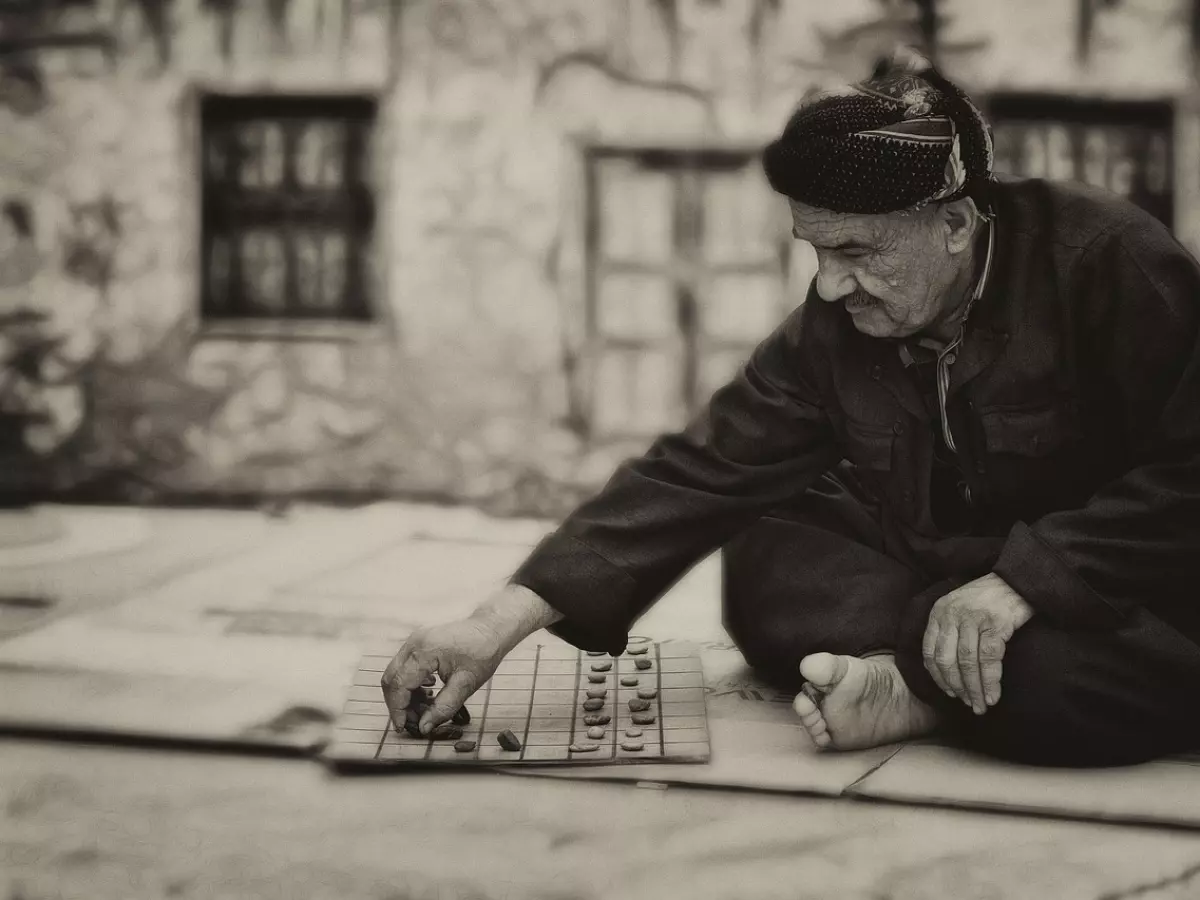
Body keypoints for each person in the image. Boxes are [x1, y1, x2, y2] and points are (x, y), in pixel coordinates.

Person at [382, 50, 1200, 768]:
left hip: (1111, 579)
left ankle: (918, 685)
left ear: (954, 224)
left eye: (855, 251)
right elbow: (705, 465)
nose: (831, 284)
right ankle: (940, 664)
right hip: (942, 563)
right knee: (765, 560)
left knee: (1051, 680)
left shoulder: (1108, 261)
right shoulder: (840, 318)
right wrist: (493, 624)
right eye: (816, 249)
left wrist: (1025, 581)